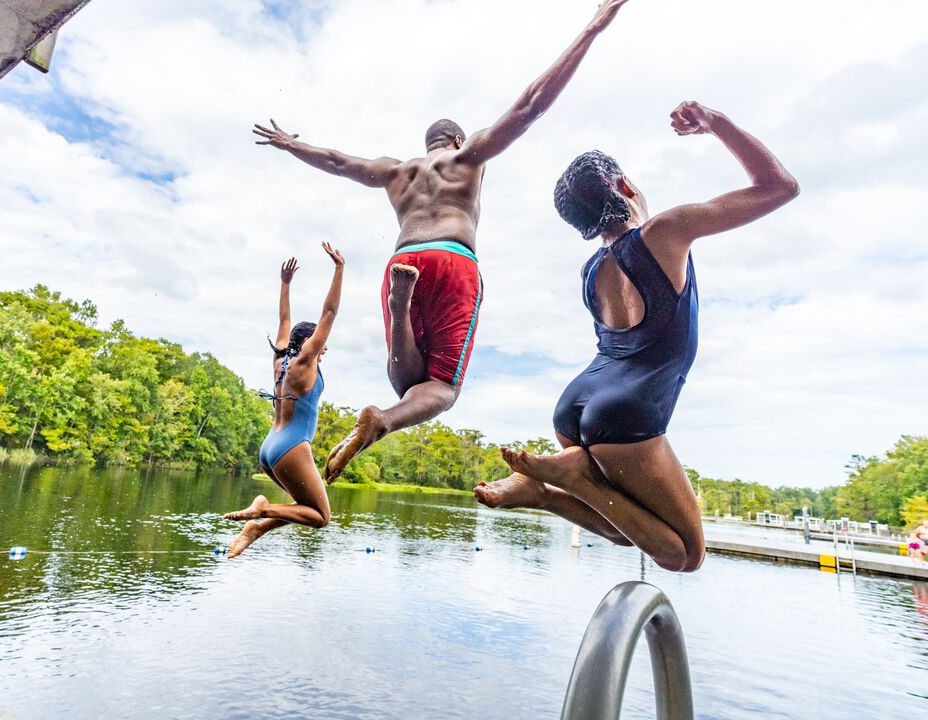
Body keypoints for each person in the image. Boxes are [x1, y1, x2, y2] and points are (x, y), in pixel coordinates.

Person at [252, 0, 632, 482]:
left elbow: (337, 161)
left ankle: (401, 299)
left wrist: (291, 143)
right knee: (443, 391)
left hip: (403, 256)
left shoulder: (396, 171)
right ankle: (384, 419)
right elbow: (531, 105)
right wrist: (593, 26)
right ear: (454, 142)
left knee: (406, 381)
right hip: (453, 258)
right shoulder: (467, 157)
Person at [474, 101, 800, 572]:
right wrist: (717, 123)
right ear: (625, 186)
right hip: (628, 409)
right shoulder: (663, 232)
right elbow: (780, 187)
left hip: (580, 402)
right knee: (684, 555)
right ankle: (577, 478)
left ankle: (544, 492)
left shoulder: (592, 269)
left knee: (630, 530)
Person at [224, 243, 345, 558]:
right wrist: (339, 269)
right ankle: (262, 510)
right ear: (308, 341)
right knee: (321, 517)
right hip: (291, 446)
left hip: (270, 448)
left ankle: (256, 527)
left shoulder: (280, 359)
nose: (324, 346)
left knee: (303, 508)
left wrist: (285, 284)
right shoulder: (306, 360)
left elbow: (283, 321)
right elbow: (329, 312)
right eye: (321, 341)